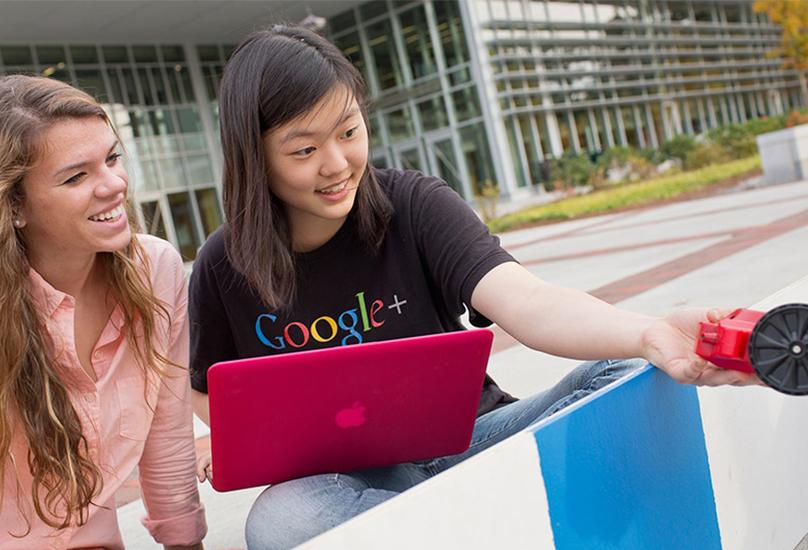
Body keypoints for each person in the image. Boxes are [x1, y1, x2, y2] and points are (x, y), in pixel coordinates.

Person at [188, 26, 758, 550]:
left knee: (634, 370)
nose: (337, 164)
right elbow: (206, 386)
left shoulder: (414, 204)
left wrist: (650, 333)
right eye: (304, 150)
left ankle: (464, 524)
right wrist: (239, 438)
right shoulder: (222, 264)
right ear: (254, 157)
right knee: (280, 522)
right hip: (349, 480)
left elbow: (527, 301)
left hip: (477, 441)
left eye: (349, 131)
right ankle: (498, 524)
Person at [0, 75, 206, 549]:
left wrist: (186, 542)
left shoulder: (156, 270)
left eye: (112, 158)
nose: (114, 185)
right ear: (14, 205)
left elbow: (168, 435)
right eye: (76, 176)